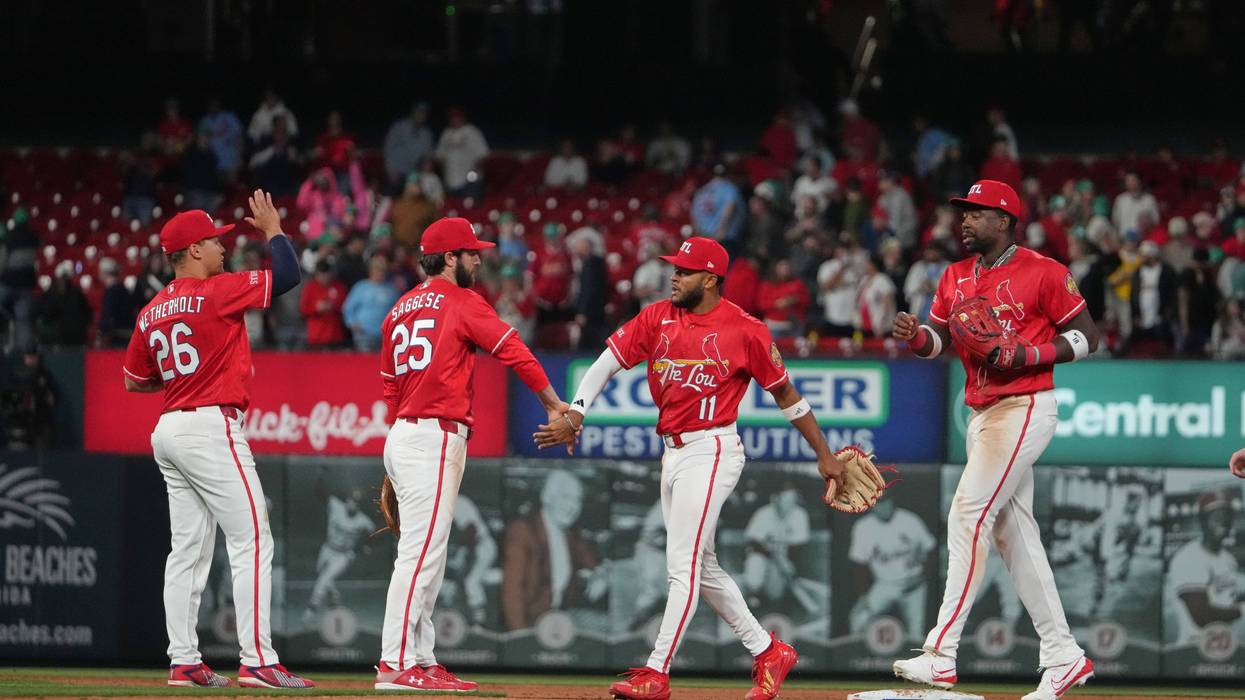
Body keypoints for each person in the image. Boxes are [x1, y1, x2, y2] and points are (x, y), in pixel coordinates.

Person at [534, 236, 848, 700]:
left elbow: (787, 395)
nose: (674, 276)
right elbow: (605, 363)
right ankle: (768, 650)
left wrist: (823, 453)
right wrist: (577, 411)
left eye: (684, 270)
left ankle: (657, 672)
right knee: (702, 565)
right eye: (674, 269)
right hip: (673, 452)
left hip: (713, 449)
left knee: (681, 566)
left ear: (711, 279)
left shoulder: (746, 329)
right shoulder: (658, 316)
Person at [891, 180, 1099, 700]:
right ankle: (1063, 655)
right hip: (982, 412)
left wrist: (1030, 355)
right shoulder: (954, 275)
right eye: (962, 212)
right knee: (1012, 531)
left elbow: (1088, 337)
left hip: (1025, 404)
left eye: (975, 213)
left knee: (968, 511)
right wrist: (918, 336)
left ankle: (941, 654)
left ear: (1004, 220)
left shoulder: (1044, 271)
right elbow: (939, 340)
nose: (963, 221)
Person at [121, 192, 314, 689]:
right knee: (252, 537)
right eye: (214, 240)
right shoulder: (217, 291)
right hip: (210, 427)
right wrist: (273, 230)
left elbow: (132, 380)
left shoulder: (151, 310)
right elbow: (289, 276)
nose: (223, 247)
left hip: (169, 429)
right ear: (192, 250)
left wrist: (181, 377)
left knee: (186, 550)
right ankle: (257, 661)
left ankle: (183, 660)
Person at [374, 217, 568, 692]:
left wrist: (399, 442)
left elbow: (389, 386)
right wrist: (553, 403)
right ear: (448, 258)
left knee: (427, 556)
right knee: (420, 556)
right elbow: (513, 349)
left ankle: (420, 656)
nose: (478, 259)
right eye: (470, 252)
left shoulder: (398, 308)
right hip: (433, 435)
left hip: (404, 431)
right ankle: (395, 664)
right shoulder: (460, 300)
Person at [500, 468, 608, 630]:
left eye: (577, 500)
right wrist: (519, 638)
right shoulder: (522, 531)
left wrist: (600, 576)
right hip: (531, 623)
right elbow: (512, 590)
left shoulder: (569, 533)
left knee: (604, 626)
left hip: (560, 616)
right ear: (546, 497)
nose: (572, 507)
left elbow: (591, 560)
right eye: (565, 498)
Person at [847, 497, 936, 639]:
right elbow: (859, 564)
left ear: (892, 502)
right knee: (858, 619)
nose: (883, 507)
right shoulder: (863, 527)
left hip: (914, 587)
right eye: (878, 503)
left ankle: (916, 660)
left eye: (886, 501)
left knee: (916, 634)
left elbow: (931, 550)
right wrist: (863, 595)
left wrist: (923, 576)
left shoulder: (910, 521)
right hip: (885, 585)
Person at [1165, 490, 1244, 642]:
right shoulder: (1189, 558)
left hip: (1225, 644)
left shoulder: (1228, 558)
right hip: (1195, 647)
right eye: (1215, 515)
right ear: (1202, 520)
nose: (1223, 521)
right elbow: (1202, 615)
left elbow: (1227, 596)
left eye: (1227, 515)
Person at [304, 484, 374, 623]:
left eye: (357, 503)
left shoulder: (363, 520)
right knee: (322, 574)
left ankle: (311, 610)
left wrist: (365, 546)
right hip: (327, 549)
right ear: (347, 500)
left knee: (323, 579)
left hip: (343, 555)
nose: (353, 504)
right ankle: (335, 595)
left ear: (359, 506)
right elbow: (320, 491)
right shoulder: (336, 505)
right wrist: (320, 475)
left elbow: (374, 533)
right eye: (351, 500)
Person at [343, 256, 402, 352]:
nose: (380, 273)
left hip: (385, 335)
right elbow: (348, 308)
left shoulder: (392, 289)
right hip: (364, 334)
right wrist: (352, 323)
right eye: (377, 270)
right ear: (371, 271)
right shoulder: (361, 287)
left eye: (382, 270)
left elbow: (399, 310)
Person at [435, 107, 489, 198]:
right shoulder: (446, 134)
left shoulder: (472, 131)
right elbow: (439, 156)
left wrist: (475, 169)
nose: (455, 119)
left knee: (470, 208)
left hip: (470, 181)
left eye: (457, 117)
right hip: (450, 181)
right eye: (452, 117)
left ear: (463, 117)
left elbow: (484, 155)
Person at [383, 102, 435, 190]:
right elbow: (388, 148)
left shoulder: (426, 134)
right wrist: (390, 169)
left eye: (424, 113)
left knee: (414, 199)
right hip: (395, 172)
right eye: (418, 111)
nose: (421, 115)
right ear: (413, 112)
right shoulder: (398, 127)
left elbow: (427, 156)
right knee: (394, 199)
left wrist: (427, 167)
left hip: (412, 174)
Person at [299, 260, 347, 348]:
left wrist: (333, 306)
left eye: (326, 275)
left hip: (335, 335)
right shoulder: (310, 287)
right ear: (316, 275)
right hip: (316, 336)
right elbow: (303, 310)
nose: (324, 278)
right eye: (321, 276)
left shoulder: (338, 287)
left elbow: (345, 308)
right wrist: (316, 308)